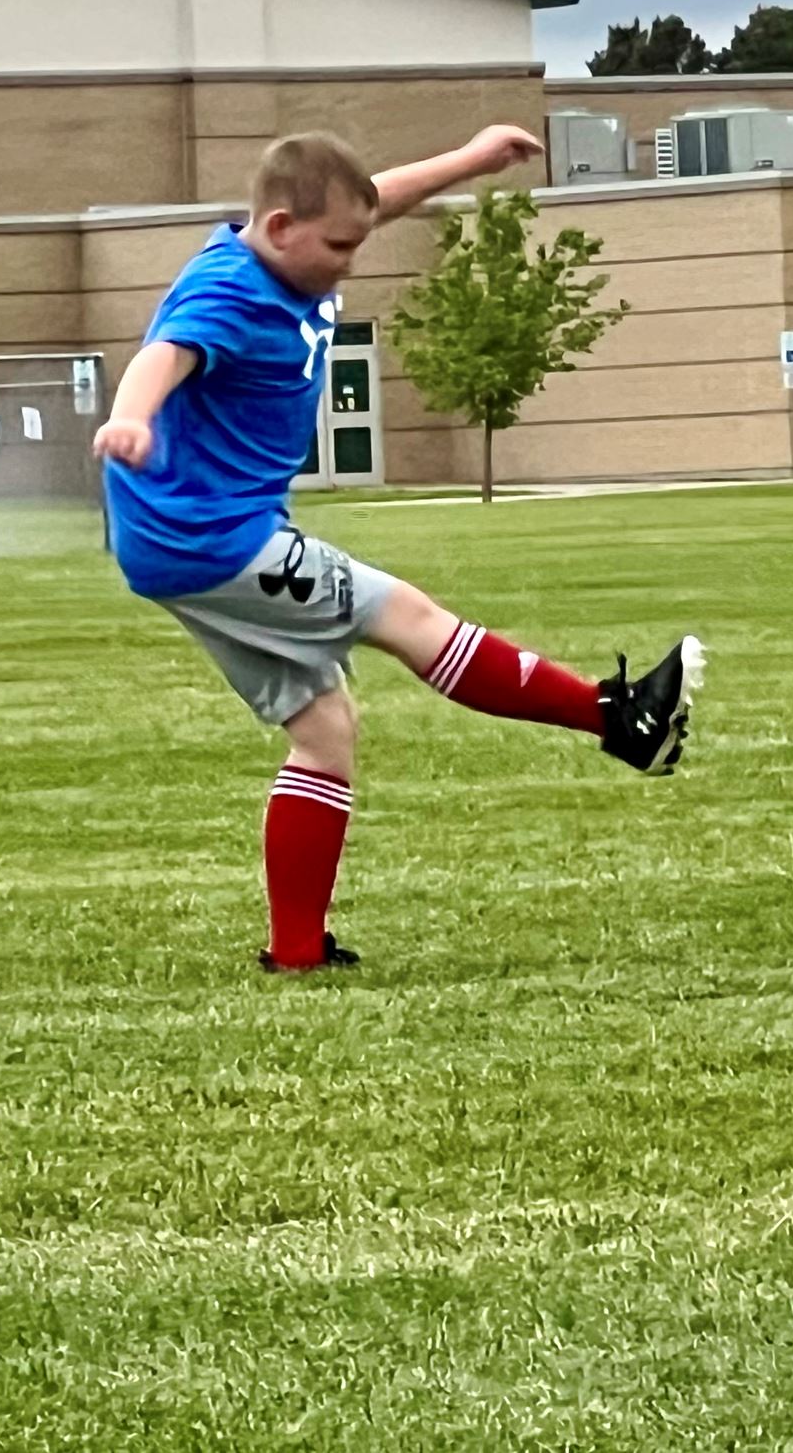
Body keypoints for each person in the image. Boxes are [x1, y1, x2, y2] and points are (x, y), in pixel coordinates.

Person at [96, 127, 702, 974]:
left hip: (188, 539)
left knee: (325, 730)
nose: (350, 259)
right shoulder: (230, 291)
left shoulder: (285, 246)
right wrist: (131, 416)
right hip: (213, 538)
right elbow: (162, 356)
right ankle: (616, 718)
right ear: (278, 228)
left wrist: (472, 158)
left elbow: (377, 193)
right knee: (404, 614)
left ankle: (298, 953)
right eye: (339, 246)